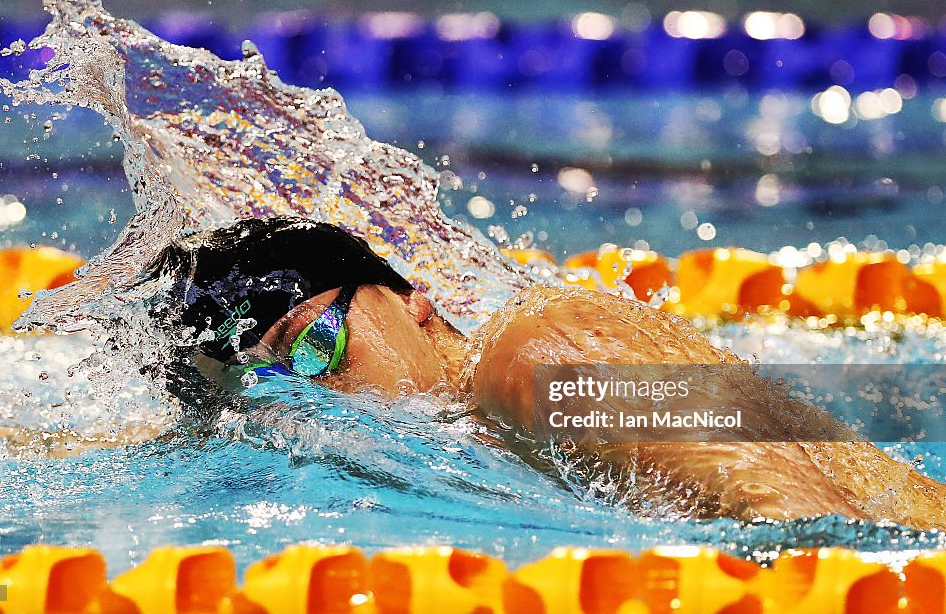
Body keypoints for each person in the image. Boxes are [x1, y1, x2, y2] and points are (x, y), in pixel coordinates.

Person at [152, 216, 946, 530]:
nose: (312, 389)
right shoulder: (477, 419)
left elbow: (808, 513)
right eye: (277, 379)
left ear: (412, 301)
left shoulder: (533, 357)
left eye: (315, 343)